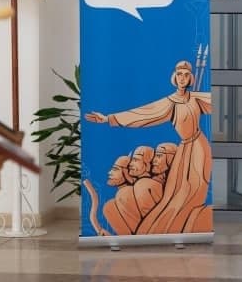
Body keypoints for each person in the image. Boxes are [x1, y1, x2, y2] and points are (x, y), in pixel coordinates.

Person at [85, 60, 213, 234]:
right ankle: (163, 229)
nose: (182, 78)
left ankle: (191, 225)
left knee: (193, 192)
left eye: (185, 75)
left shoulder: (196, 98)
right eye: (179, 74)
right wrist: (108, 119)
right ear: (174, 77)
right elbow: (143, 114)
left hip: (199, 148)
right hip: (185, 151)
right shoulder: (170, 103)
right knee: (175, 195)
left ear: (190, 77)